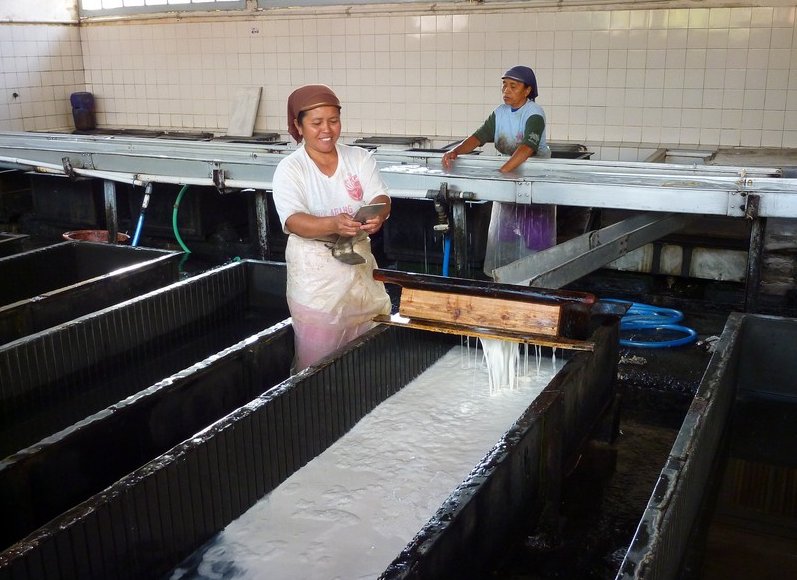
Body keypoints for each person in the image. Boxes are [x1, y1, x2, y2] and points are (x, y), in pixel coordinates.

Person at [272, 84, 392, 371]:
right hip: (317, 279)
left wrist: (379, 212)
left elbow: (381, 196)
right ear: (298, 126)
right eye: (316, 123)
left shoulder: (359, 158)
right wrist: (332, 224)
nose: (327, 129)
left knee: (369, 353)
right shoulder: (291, 169)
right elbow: (293, 220)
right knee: (319, 362)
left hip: (360, 272)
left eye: (333, 121)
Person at [441, 65, 555, 277]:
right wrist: (455, 152)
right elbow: (478, 137)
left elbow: (527, 148)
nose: (506, 91)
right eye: (504, 86)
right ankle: (505, 277)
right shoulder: (499, 113)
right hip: (509, 174)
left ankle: (535, 278)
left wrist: (501, 172)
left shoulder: (534, 113)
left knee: (534, 235)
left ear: (527, 90)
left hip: (534, 178)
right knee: (507, 232)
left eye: (513, 86)